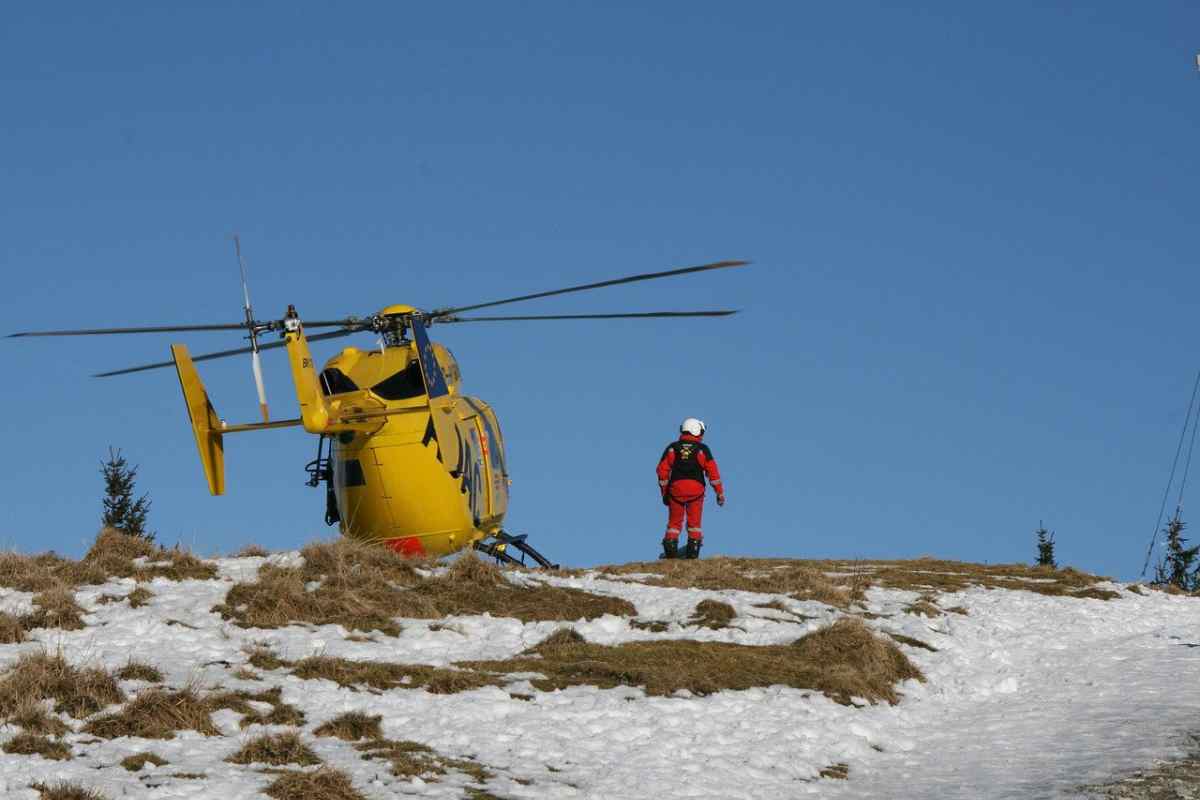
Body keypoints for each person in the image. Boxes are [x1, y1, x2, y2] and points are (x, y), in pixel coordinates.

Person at [656, 417, 725, 559]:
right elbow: (713, 473)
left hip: (675, 490)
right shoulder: (702, 449)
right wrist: (719, 493)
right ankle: (692, 555)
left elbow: (662, 470)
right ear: (696, 431)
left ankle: (670, 553)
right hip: (696, 491)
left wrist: (665, 493)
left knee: (674, 523)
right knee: (694, 523)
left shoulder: (672, 448)